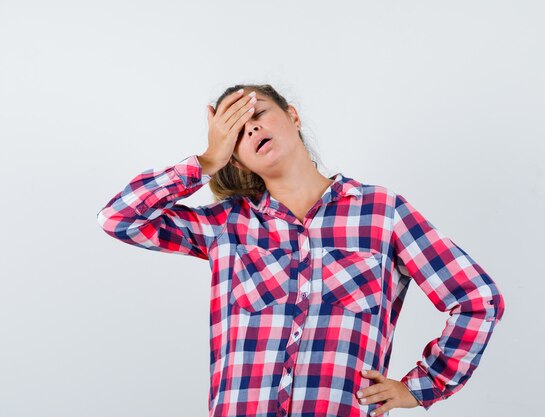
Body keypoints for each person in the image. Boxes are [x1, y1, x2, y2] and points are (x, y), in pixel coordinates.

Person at [96, 84, 506, 416]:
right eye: (236, 132)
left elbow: (477, 299)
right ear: (234, 158)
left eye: (256, 115)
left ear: (292, 115)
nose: (251, 130)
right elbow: (119, 219)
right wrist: (206, 160)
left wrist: (422, 387)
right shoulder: (226, 226)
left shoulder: (381, 213)